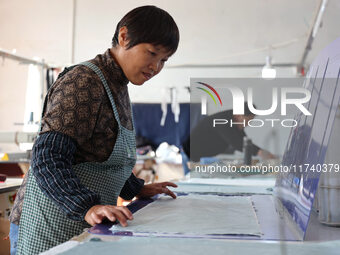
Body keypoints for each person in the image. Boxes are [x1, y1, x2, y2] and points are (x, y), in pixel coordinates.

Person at [9, 5, 180, 255]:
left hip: (79, 221)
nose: (155, 67)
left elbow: (101, 156)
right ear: (124, 37)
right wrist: (87, 207)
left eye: (163, 60)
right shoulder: (84, 82)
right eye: (152, 53)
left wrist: (136, 188)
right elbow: (48, 158)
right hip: (49, 223)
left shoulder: (117, 86)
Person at [182, 103, 276, 162]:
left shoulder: (233, 120)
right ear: (239, 116)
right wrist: (260, 152)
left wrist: (261, 152)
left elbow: (244, 140)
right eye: (248, 121)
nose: (248, 124)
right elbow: (237, 142)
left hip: (199, 156)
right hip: (190, 156)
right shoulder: (222, 120)